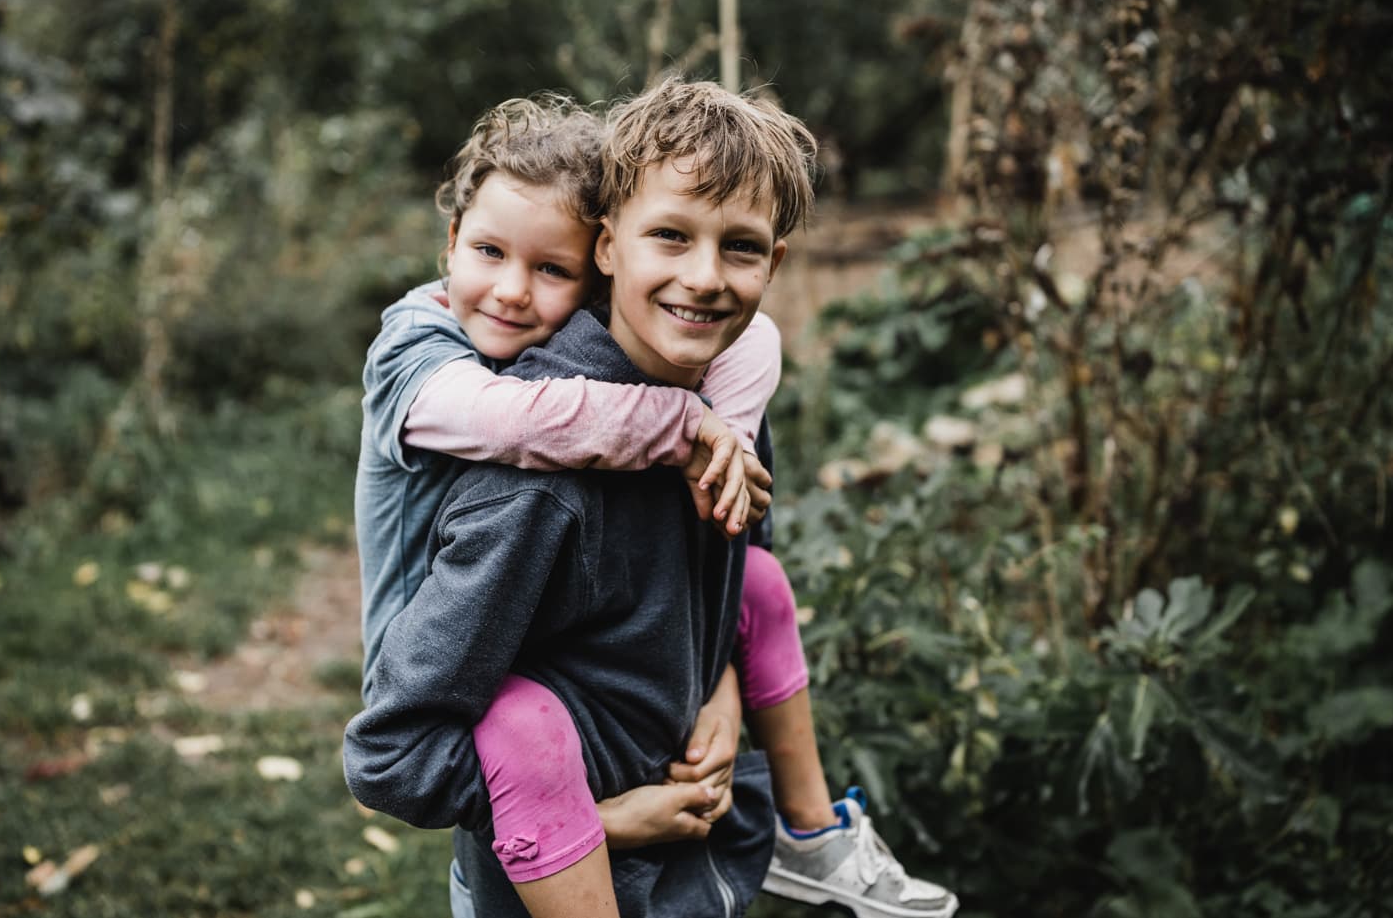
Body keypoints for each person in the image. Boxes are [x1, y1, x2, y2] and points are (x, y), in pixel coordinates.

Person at [346, 78, 958, 918]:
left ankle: (809, 835)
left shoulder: (719, 398)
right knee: (520, 720)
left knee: (759, 586)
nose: (704, 278)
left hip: (695, 868)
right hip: (558, 877)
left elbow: (735, 568)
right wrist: (599, 823)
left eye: (739, 248)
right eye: (668, 235)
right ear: (610, 248)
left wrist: (723, 691)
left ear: (772, 263)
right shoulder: (529, 476)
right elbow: (393, 754)